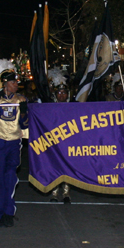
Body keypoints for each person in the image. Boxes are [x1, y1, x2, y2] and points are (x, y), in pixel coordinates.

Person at [0, 60, 29, 228]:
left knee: (10, 176)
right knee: (0, 178)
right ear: (5, 84)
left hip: (14, 143)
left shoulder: (21, 99)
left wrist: (23, 113)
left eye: (16, 82)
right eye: (13, 82)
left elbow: (24, 125)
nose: (16, 84)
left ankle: (8, 212)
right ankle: (0, 212)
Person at [48, 67, 73, 203]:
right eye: (59, 93)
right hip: (54, 142)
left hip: (68, 143)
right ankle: (54, 193)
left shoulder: (73, 108)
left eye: (64, 93)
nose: (61, 95)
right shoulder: (50, 108)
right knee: (55, 167)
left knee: (67, 168)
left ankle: (66, 193)